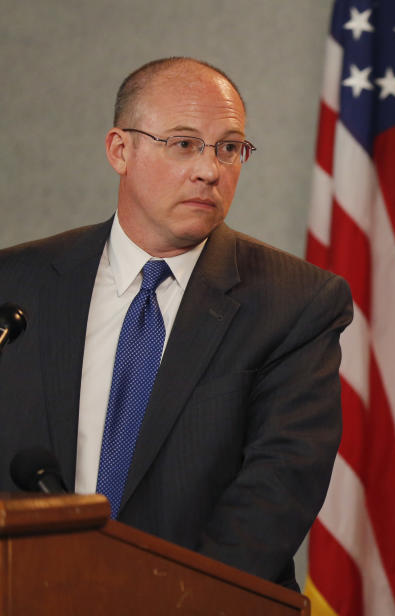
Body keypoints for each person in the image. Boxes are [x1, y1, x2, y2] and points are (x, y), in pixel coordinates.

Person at [0, 57, 352, 591]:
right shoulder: (16, 286)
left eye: (229, 148)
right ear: (121, 150)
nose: (210, 170)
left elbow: (274, 495)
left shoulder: (296, 303)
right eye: (184, 143)